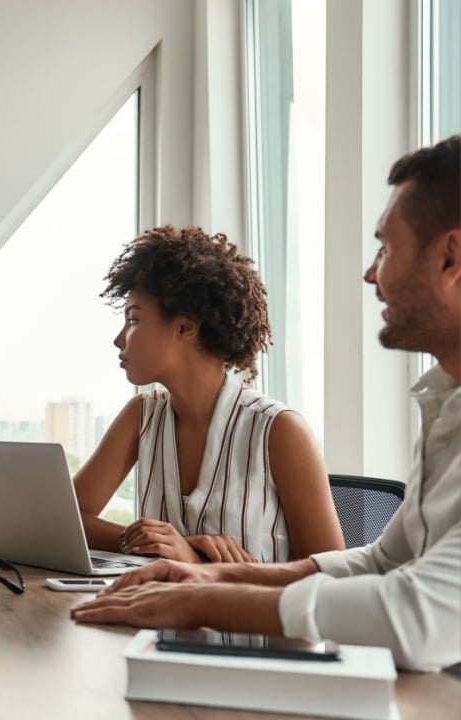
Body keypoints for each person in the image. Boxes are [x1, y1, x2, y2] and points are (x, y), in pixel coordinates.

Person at [72, 135, 461, 672]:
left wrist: (203, 599)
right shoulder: (445, 409)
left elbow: (418, 620)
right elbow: (380, 562)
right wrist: (208, 574)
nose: (372, 274)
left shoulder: (277, 428)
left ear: (451, 258)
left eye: (386, 249)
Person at [74, 227, 343, 563]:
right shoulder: (141, 415)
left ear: (186, 327)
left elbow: (331, 574)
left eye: (134, 320)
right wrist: (160, 545)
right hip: (157, 599)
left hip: (250, 602)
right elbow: (68, 517)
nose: (119, 339)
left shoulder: (279, 430)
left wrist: (195, 559)